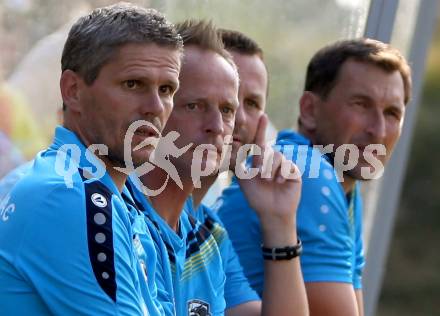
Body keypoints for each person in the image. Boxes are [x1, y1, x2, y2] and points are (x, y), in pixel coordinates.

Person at [0, 3, 182, 315]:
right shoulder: (69, 196)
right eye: (133, 84)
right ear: (72, 91)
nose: (155, 106)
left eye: (166, 89)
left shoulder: (118, 197)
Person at [217, 38, 411, 316]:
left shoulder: (344, 189)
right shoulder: (307, 172)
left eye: (392, 113)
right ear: (309, 110)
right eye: (361, 104)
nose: (378, 131)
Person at [128, 20, 308, 316]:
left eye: (231, 108)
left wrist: (280, 223)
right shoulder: (116, 211)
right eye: (196, 105)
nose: (226, 125)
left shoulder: (209, 234)